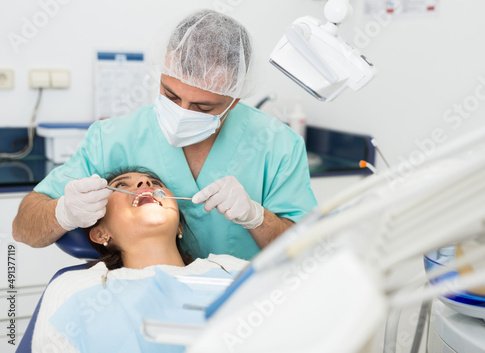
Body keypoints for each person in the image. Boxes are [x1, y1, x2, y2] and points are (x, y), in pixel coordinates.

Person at [12, 9, 317, 260]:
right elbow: (23, 226)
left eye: (202, 107)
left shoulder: (277, 145)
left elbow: (307, 252)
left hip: (243, 309)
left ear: (234, 100)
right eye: (170, 95)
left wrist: (257, 217)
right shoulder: (114, 138)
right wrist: (63, 212)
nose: (183, 111)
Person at [32, 168, 248, 353]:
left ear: (179, 227)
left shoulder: (231, 269)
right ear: (101, 233)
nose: (145, 183)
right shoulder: (75, 288)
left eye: (154, 183)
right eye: (121, 185)